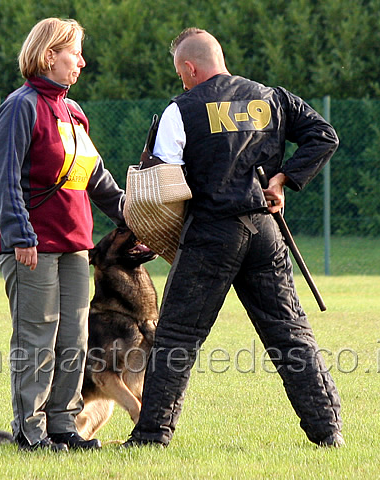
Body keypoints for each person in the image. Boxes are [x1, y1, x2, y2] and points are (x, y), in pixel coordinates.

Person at [123, 28, 343, 448]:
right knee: (289, 331)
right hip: (265, 230)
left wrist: (165, 233)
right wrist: (283, 178)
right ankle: (327, 430)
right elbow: (324, 136)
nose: (181, 81)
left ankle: (152, 435)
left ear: (190, 67)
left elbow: (163, 183)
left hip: (211, 234)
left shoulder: (182, 108)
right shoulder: (271, 98)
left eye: (180, 73)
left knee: (177, 335)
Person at [0, 18, 126, 452]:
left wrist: (137, 216)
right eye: (75, 53)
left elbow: (98, 181)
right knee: (37, 337)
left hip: (75, 245)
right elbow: (4, 177)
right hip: (33, 245)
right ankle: (31, 432)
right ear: (50, 56)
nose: (82, 62)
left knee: (74, 338)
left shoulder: (73, 112)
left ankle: (63, 425)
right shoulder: (21, 106)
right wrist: (19, 235)